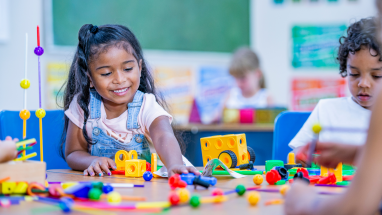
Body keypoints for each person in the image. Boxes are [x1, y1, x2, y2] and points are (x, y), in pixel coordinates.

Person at [60, 24, 199, 177]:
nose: (119, 79)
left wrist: (174, 165)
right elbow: (73, 152)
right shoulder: (83, 105)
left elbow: (163, 136)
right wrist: (92, 161)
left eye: (127, 69)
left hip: (150, 187)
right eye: (106, 73)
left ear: (139, 68)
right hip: (108, 191)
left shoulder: (146, 105)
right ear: (90, 78)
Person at [285, 14, 382, 215]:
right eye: (354, 74)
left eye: (377, 75)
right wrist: (302, 159)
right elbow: (295, 156)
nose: (363, 83)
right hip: (327, 193)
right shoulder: (327, 109)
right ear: (344, 69)